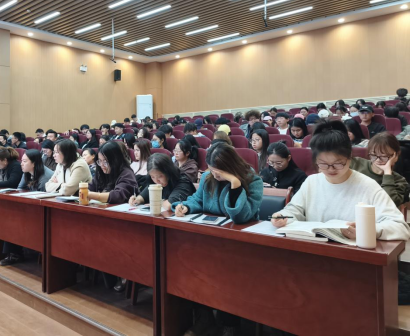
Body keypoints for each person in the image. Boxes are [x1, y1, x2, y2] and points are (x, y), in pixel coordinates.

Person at [167, 142, 264, 336]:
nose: (214, 175)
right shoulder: (208, 177)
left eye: (218, 172)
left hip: (237, 244)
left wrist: (234, 183)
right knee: (190, 267)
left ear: (230, 167)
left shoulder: (252, 180)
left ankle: (230, 324)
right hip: (208, 238)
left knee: (228, 277)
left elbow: (242, 216)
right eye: (212, 170)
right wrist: (186, 206)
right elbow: (198, 199)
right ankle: (204, 318)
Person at [270, 121, 410, 242]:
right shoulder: (312, 181)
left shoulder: (368, 186)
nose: (331, 169)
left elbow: (400, 227)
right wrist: (283, 217)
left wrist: (368, 230)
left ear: (350, 157)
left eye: (338, 163)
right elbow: (295, 210)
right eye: (323, 164)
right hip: (314, 250)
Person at [350, 132, 408, 206]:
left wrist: (387, 173)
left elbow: (389, 204)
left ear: (396, 156)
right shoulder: (356, 163)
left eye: (384, 156)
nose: (378, 160)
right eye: (373, 155)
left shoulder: (399, 181)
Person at [130, 153, 196, 206]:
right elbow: (143, 196)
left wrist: (155, 204)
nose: (156, 181)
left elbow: (169, 205)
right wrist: (136, 200)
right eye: (152, 177)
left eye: (160, 176)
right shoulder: (155, 182)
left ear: (168, 172)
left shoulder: (183, 181)